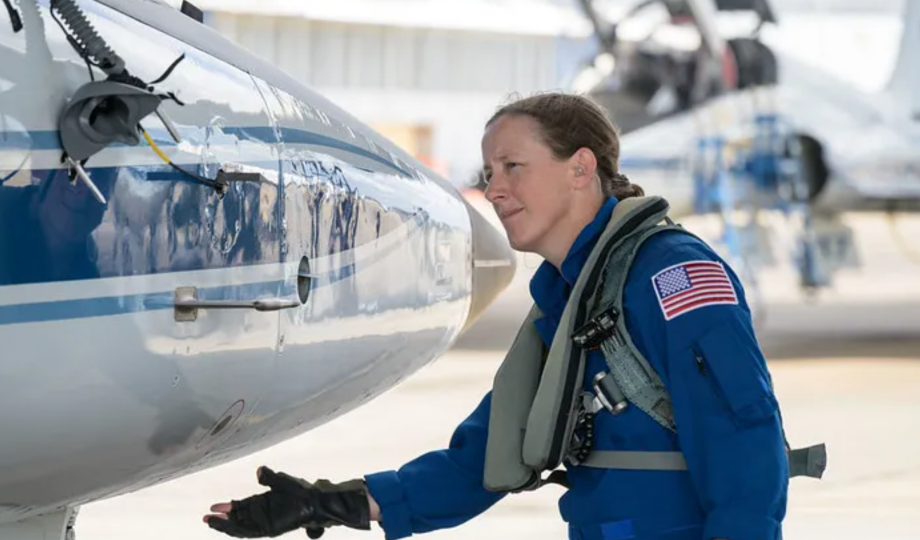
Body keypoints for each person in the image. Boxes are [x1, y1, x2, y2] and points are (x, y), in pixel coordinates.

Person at [203, 92, 790, 540]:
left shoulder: (671, 277)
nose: (496, 190)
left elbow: (747, 450)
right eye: (489, 174)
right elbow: (487, 457)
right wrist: (329, 503)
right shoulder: (571, 300)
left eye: (513, 167)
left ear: (580, 168)